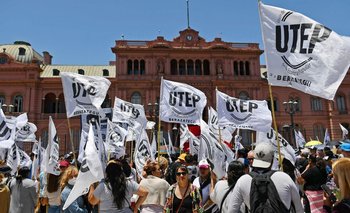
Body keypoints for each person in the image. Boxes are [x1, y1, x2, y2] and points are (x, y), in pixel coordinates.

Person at [227, 143, 303, 213]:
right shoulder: (285, 178)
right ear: (272, 160)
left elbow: (231, 210)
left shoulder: (243, 180)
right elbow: (299, 209)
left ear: (254, 158)